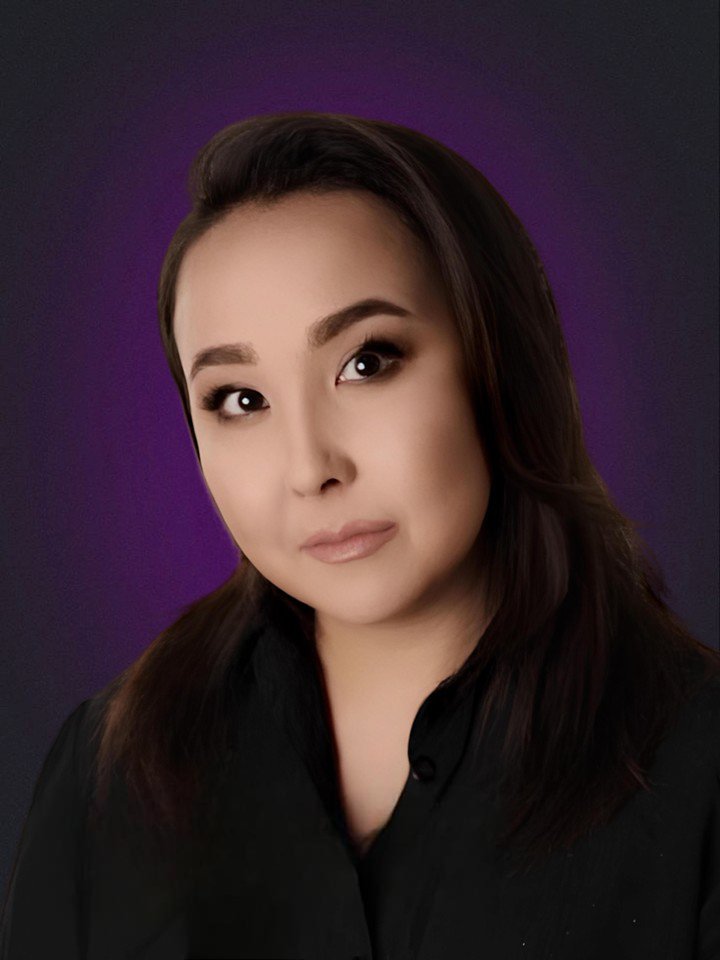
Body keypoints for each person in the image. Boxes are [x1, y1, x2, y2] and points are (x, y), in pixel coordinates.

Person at [2, 111, 719, 960]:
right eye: (240, 399)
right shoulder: (107, 771)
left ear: (501, 362)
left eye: (366, 362)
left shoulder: (697, 767)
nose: (311, 467)